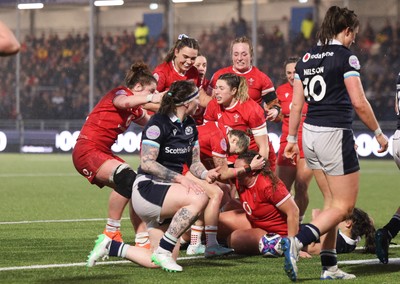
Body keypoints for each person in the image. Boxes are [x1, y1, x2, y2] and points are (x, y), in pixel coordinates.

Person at [281, 6, 389, 281]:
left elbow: (296, 104)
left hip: (310, 133)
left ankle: (329, 266)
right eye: (354, 34)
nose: (354, 40)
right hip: (334, 133)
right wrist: (377, 132)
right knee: (344, 208)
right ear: (347, 30)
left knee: (330, 203)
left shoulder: (306, 58)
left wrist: (292, 139)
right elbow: (358, 102)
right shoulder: (345, 57)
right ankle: (297, 241)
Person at [135, 80, 233, 271]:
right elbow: (147, 163)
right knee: (199, 196)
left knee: (158, 262)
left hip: (169, 192)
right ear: (187, 103)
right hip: (148, 188)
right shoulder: (158, 122)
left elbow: (194, 163)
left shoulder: (189, 125)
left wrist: (205, 174)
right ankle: (164, 249)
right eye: (197, 98)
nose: (200, 102)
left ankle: (113, 247)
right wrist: (180, 178)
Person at [72, 62, 162, 247]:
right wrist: (154, 97)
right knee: (128, 180)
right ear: (137, 87)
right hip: (87, 150)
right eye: (149, 90)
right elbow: (124, 102)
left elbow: (151, 122)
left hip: (101, 151)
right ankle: (111, 233)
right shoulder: (120, 93)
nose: (151, 95)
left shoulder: (134, 108)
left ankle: (142, 239)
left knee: (137, 184)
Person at [183, 123, 265, 255]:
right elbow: (223, 173)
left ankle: (194, 243)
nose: (229, 153)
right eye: (234, 151)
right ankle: (211, 245)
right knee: (216, 193)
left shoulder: (217, 130)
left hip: (184, 164)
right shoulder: (220, 138)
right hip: (183, 167)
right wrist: (249, 168)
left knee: (213, 192)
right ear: (234, 140)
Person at [205, 36, 278, 170]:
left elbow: (275, 105)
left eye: (244, 54)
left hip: (252, 141)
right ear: (231, 56)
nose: (239, 58)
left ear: (251, 56)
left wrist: (275, 111)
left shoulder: (262, 78)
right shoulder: (218, 76)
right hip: (227, 143)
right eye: (236, 54)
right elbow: (209, 101)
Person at [216, 150, 299, 255]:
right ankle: (199, 240)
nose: (237, 171)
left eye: (241, 169)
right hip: (255, 221)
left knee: (235, 240)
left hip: (277, 231)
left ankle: (281, 244)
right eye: (236, 168)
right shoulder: (240, 178)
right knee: (217, 222)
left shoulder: (267, 185)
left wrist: (293, 245)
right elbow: (221, 174)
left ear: (254, 170)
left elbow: (293, 211)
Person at [203, 73, 273, 170]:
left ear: (233, 91)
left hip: (249, 158)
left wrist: (261, 170)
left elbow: (263, 147)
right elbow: (206, 135)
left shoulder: (252, 109)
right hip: (223, 156)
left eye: (221, 88)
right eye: (216, 88)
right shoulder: (212, 105)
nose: (216, 92)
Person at [276, 57, 313, 224]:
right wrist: (273, 114)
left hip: (307, 144)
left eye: (295, 72)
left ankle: (297, 222)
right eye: (288, 73)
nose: (292, 76)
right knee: (280, 188)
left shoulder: (312, 89)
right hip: (287, 144)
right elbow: (276, 113)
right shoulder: (280, 91)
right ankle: (282, 223)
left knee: (301, 186)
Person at [306, 208, 376, 255]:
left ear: (348, 223)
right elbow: (370, 221)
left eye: (342, 216)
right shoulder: (353, 238)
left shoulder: (338, 242)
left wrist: (315, 223)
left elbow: (311, 249)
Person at [193, 54, 210, 125]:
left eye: (204, 65)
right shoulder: (185, 85)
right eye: (197, 65)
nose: (201, 68)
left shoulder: (210, 86)